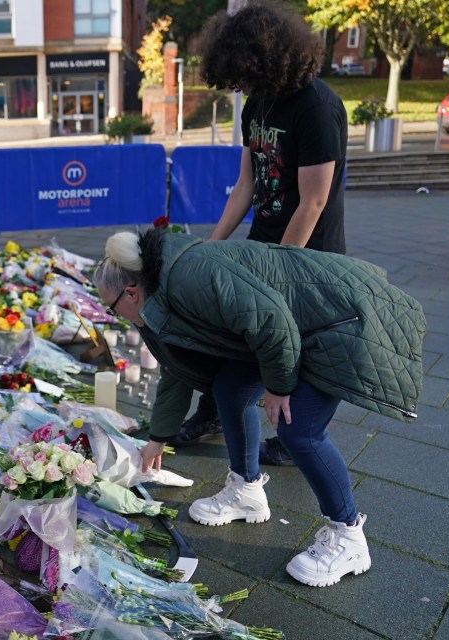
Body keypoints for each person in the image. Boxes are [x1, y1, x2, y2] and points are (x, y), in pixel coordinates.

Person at [94, 229, 426, 587]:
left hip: (341, 318)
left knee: (299, 428)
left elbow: (272, 322)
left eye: (110, 307)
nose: (115, 317)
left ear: (131, 292)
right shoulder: (152, 302)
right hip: (295, 324)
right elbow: (176, 370)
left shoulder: (188, 278)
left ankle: (348, 537)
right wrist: (158, 437)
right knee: (230, 390)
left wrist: (278, 387)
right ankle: (247, 492)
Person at [169, 2, 349, 466]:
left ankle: (296, 437)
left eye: (243, 75)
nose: (239, 86)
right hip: (262, 244)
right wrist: (210, 248)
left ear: (265, 59)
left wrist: (279, 271)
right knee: (232, 334)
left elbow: (313, 202)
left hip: (309, 257)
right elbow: (247, 185)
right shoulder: (257, 104)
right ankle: (213, 410)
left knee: (294, 346)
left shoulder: (317, 107)